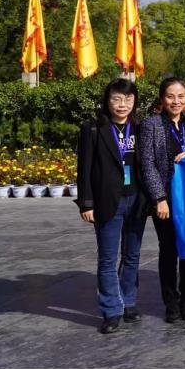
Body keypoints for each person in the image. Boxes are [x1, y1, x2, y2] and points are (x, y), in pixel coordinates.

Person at [75, 79, 146, 333]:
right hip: (107, 201)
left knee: (132, 255)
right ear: (107, 100)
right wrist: (86, 202)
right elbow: (84, 168)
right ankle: (110, 310)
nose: (122, 104)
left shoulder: (140, 127)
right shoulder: (94, 128)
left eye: (127, 99)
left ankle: (128, 302)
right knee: (107, 258)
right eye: (116, 99)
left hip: (136, 200)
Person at [139, 76, 185, 323]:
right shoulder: (151, 124)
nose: (176, 101)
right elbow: (147, 163)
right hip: (166, 197)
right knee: (169, 249)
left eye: (181, 96)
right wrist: (159, 198)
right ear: (162, 99)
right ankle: (171, 302)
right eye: (170, 96)